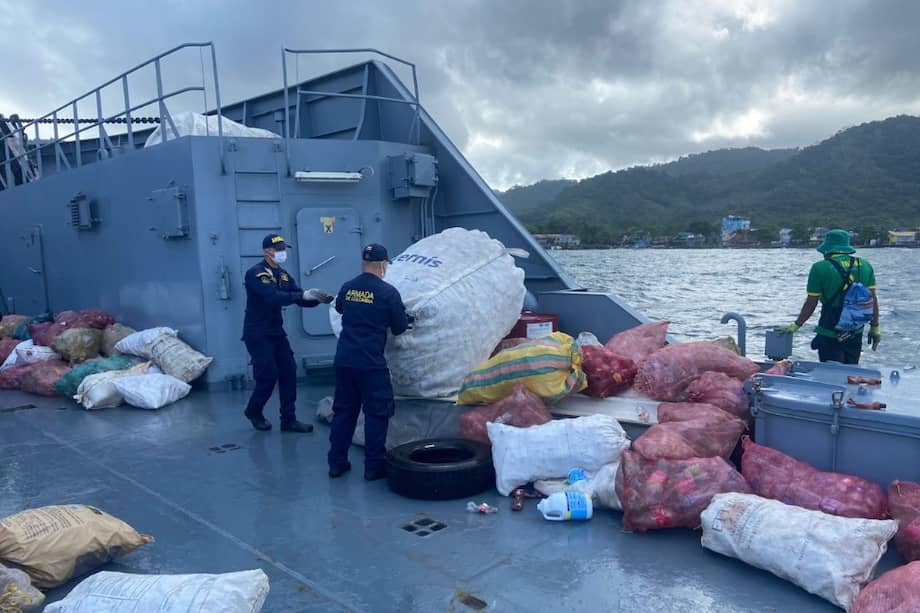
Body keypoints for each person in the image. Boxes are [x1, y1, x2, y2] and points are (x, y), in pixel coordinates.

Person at [328, 243, 411, 481]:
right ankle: (373, 467)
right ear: (383, 264)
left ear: (364, 263)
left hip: (344, 361)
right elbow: (399, 327)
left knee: (344, 412)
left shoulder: (347, 287)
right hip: (371, 364)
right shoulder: (388, 293)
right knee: (377, 413)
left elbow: (342, 309)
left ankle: (336, 463)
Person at [242, 233, 334, 432]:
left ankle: (288, 420)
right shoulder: (256, 274)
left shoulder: (283, 275)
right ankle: (254, 410)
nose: (282, 252)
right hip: (257, 333)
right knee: (268, 375)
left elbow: (299, 299)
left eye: (284, 248)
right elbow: (272, 297)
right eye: (279, 249)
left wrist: (317, 298)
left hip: (275, 331)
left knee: (289, 372)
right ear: (267, 251)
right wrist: (301, 295)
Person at [779, 229, 880, 364]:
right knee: (850, 374)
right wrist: (875, 327)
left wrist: (797, 325)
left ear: (827, 250)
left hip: (829, 331)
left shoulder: (820, 268)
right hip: (854, 332)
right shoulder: (865, 266)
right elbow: (872, 300)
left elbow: (811, 302)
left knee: (831, 375)